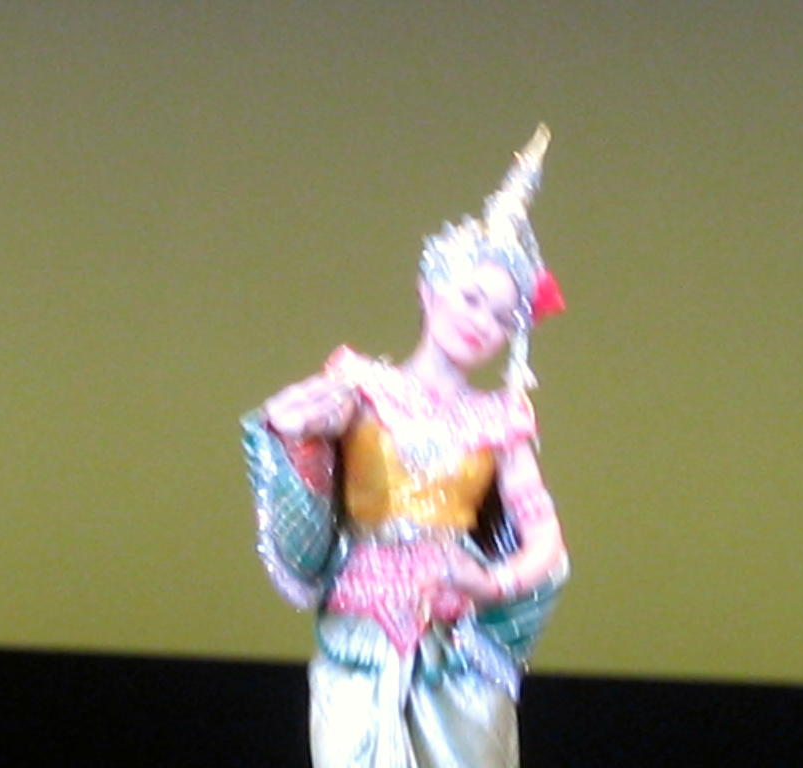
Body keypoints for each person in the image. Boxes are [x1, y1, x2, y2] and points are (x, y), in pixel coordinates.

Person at [242, 124, 569, 768]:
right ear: (429, 289)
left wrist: (489, 580)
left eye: (501, 317)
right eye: (471, 298)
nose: (480, 322)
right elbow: (304, 453)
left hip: (451, 651)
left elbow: (546, 543)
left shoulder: (501, 420)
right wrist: (293, 435)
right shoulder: (360, 387)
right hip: (358, 639)